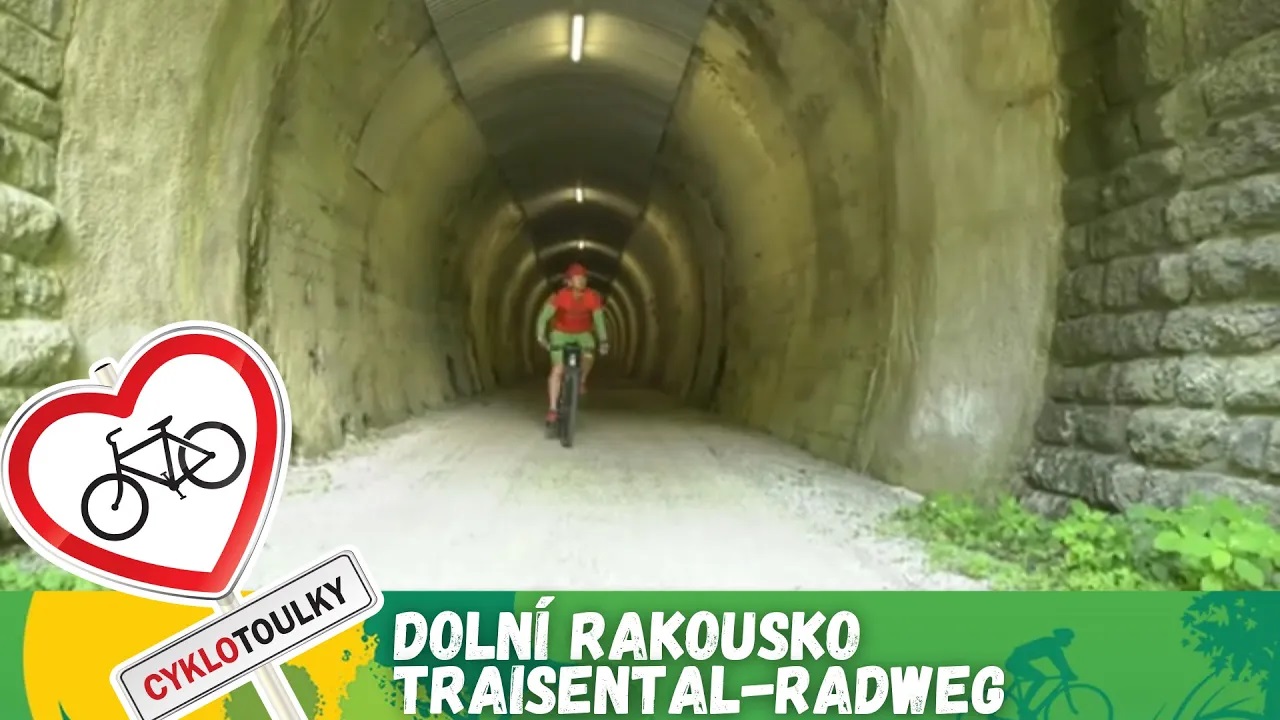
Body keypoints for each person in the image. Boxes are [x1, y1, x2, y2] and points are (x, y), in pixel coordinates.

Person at [535, 262, 609, 426]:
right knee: (557, 370)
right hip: (560, 334)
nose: (581, 280)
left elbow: (598, 320)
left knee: (589, 355)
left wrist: (603, 340)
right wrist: (541, 335)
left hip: (583, 334)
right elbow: (544, 317)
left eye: (583, 277)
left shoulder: (592, 297)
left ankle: (581, 380)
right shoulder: (560, 296)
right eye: (577, 277)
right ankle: (553, 409)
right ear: (568, 281)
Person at [1004, 628, 1077, 719]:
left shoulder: (1052, 644)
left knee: (1040, 678)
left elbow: (1060, 662)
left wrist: (1067, 672)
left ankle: (1024, 708)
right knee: (1040, 678)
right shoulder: (1051, 645)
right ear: (1061, 638)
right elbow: (1060, 661)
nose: (1069, 642)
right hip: (1015, 663)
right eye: (1068, 639)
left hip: (1016, 662)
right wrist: (1068, 673)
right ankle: (1024, 707)